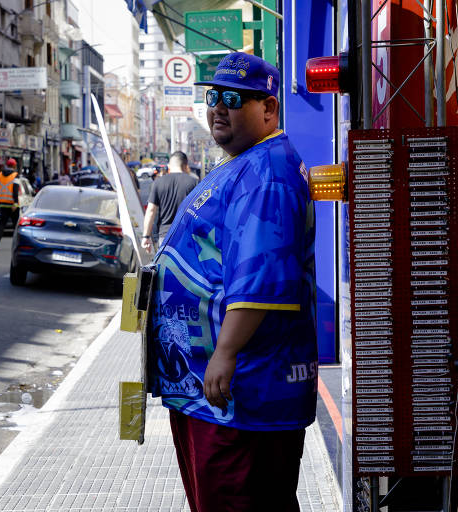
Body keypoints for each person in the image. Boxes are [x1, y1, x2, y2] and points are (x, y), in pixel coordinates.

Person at [148, 52, 316, 512]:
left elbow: (260, 277)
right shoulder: (249, 162)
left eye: (235, 98)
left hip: (242, 397)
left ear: (268, 109)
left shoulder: (267, 174)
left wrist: (225, 353)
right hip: (219, 395)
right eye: (214, 96)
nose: (220, 107)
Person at [141, 151, 198, 252]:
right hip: (186, 237)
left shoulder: (158, 182)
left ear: (169, 166)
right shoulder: (193, 183)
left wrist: (146, 236)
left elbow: (151, 211)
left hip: (165, 236)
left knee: (164, 267)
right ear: (185, 165)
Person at [0, 158, 20, 251]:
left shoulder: (0, 175)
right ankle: (17, 245)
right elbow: (15, 190)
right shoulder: (15, 175)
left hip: (3, 203)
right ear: (14, 166)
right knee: (16, 226)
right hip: (12, 204)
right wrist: (15, 202)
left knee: (2, 224)